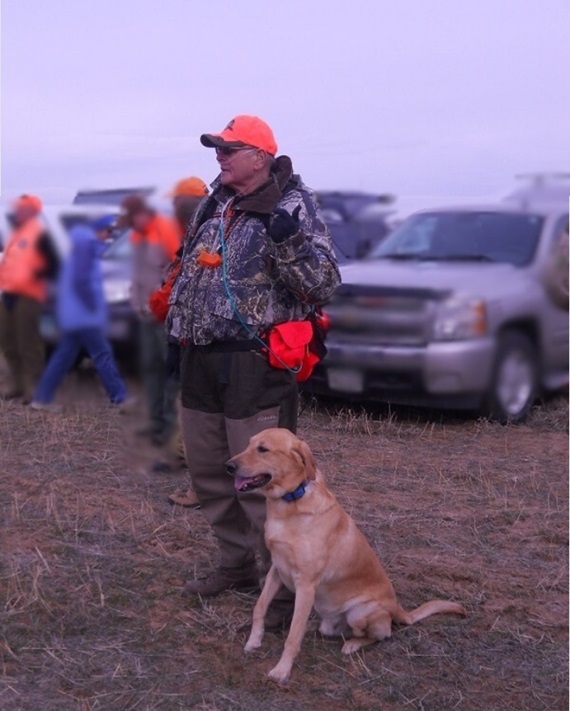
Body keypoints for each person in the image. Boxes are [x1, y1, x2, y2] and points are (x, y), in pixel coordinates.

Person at [167, 114, 341, 626]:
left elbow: (325, 283)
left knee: (261, 478)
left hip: (253, 360)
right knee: (207, 468)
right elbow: (191, 264)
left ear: (260, 157)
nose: (219, 156)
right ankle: (235, 565)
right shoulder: (216, 199)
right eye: (217, 148)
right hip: (198, 354)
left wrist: (287, 241)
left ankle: (284, 588)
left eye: (229, 148)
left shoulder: (293, 204)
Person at [30, 217, 132, 412]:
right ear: (99, 230)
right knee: (102, 353)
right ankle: (119, 397)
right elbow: (81, 281)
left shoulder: (83, 247)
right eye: (107, 231)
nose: (109, 236)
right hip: (84, 315)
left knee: (63, 356)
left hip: (75, 315)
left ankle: (41, 398)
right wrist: (92, 305)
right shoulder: (86, 246)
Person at [119, 194, 181, 447]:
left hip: (164, 316)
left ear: (142, 213)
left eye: (132, 219)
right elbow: (137, 275)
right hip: (145, 316)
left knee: (168, 374)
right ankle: (156, 425)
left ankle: (171, 430)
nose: (131, 225)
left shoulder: (165, 229)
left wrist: (163, 303)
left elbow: (178, 270)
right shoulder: (137, 235)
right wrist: (136, 303)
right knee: (151, 370)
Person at [0, 194, 60, 403]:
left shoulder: (40, 234)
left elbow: (55, 265)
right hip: (8, 294)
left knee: (28, 344)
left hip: (28, 296)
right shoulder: (16, 235)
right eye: (18, 208)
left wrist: (35, 276)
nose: (18, 211)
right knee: (7, 341)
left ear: (33, 211)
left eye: (23, 208)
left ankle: (37, 390)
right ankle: (18, 385)